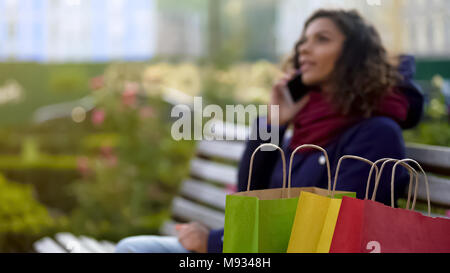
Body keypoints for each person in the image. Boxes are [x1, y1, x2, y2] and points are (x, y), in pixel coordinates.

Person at [115, 9, 424, 254]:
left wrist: (214, 243)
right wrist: (274, 123)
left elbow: (333, 230)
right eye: (303, 40)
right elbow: (249, 194)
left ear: (355, 56)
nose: (304, 48)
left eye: (322, 39)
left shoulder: (375, 134)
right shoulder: (304, 132)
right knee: (134, 249)